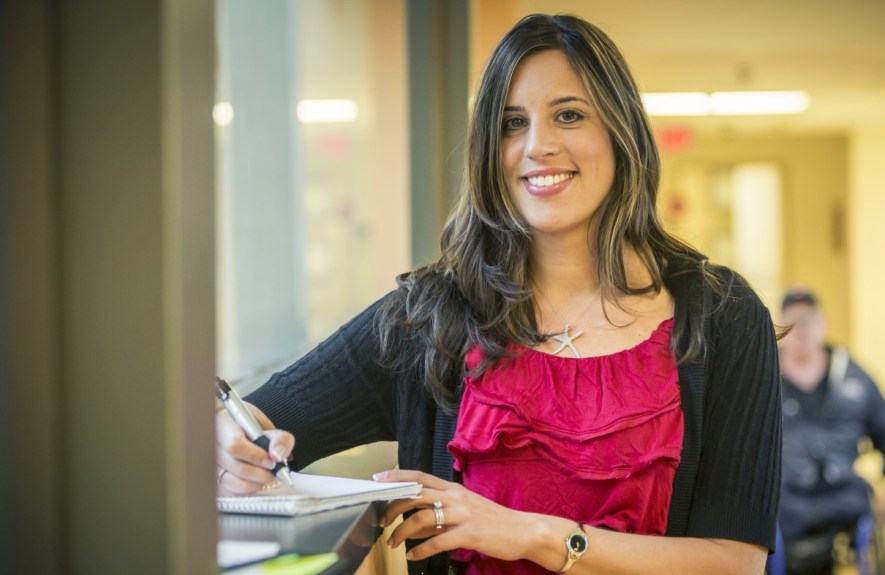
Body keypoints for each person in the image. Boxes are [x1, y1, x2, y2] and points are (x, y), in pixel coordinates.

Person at [216, 14, 781, 575]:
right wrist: (230, 448)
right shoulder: (433, 315)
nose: (538, 146)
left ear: (620, 130)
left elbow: (734, 563)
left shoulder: (723, 317)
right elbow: (258, 421)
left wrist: (529, 533)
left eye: (568, 115)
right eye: (512, 123)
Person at [776, 288, 885, 575]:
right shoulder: (763, 377)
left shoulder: (854, 376)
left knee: (862, 503)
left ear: (824, 324)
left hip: (842, 492)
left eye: (809, 319)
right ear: (780, 327)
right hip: (784, 496)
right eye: (793, 320)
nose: (802, 329)